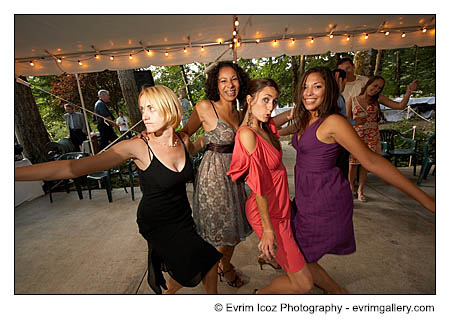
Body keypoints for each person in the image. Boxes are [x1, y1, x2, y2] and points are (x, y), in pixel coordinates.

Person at [15, 85, 222, 295]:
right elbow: (73, 168)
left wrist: (218, 138)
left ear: (169, 108)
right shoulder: (138, 146)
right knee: (208, 259)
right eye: (143, 109)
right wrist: (13, 173)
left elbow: (196, 148)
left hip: (183, 217)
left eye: (151, 108)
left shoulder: (183, 140)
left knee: (203, 263)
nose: (145, 116)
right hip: (157, 221)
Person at [283, 66, 434, 294]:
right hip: (305, 196)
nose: (309, 92)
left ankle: (337, 292)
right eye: (305, 87)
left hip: (324, 199)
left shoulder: (333, 121)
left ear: (329, 90)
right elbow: (270, 126)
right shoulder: (306, 118)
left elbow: (371, 161)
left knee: (299, 254)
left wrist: (427, 201)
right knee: (294, 248)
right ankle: (335, 291)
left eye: (317, 86)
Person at [228, 79, 313, 294]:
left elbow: (284, 118)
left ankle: (273, 261)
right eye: (265, 100)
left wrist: (306, 105)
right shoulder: (247, 134)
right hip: (266, 212)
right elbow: (259, 187)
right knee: (304, 284)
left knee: (294, 263)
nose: (270, 107)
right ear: (249, 100)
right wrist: (267, 230)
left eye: (273, 102)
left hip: (280, 208)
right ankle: (259, 297)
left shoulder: (265, 127)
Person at [180, 61, 252, 288]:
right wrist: (193, 147)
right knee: (216, 232)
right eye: (223, 80)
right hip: (214, 177)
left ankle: (224, 265)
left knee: (234, 229)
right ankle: (213, 275)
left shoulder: (241, 114)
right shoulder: (205, 107)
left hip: (237, 175)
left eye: (234, 79)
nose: (230, 85)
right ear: (215, 84)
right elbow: (185, 133)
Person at [346, 75, 417, 202]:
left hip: (372, 134)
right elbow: (346, 120)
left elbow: (400, 106)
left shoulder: (378, 99)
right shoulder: (352, 99)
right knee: (353, 164)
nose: (376, 89)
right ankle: (350, 188)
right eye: (374, 86)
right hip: (357, 135)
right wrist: (354, 122)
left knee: (366, 164)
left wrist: (409, 92)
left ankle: (360, 189)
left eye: (379, 88)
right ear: (368, 84)